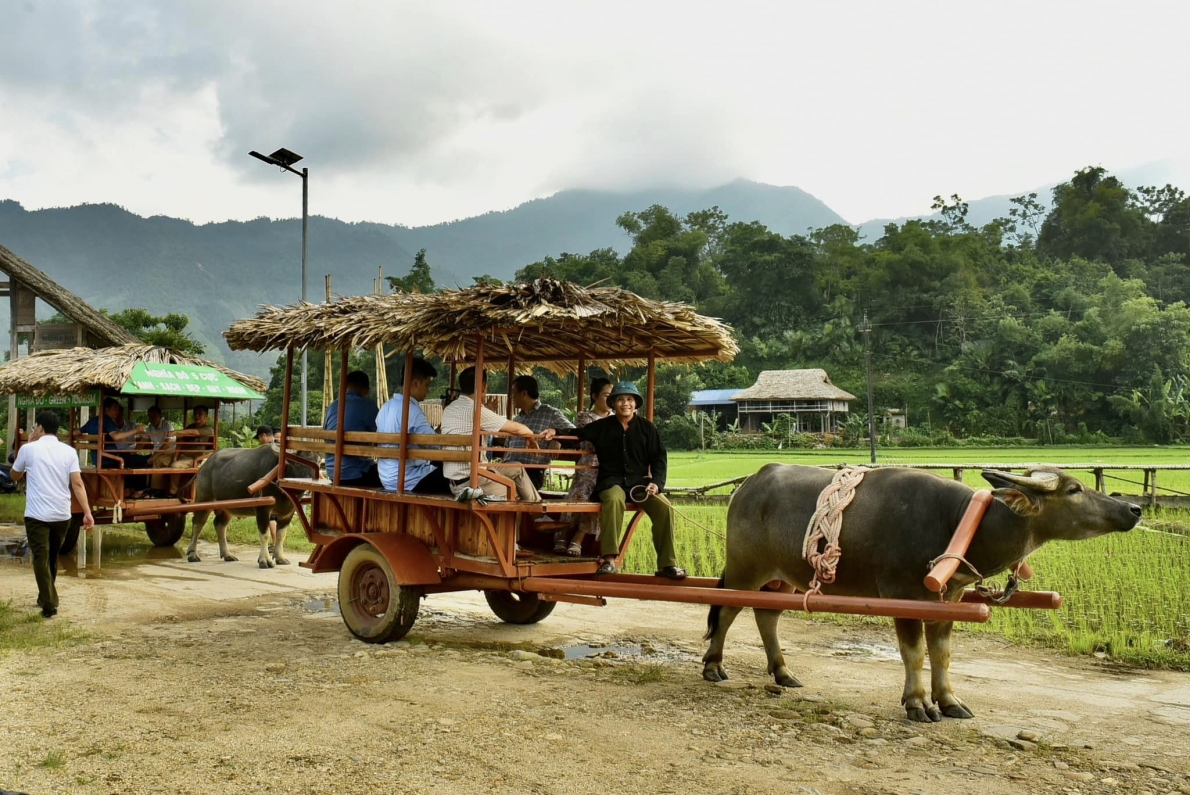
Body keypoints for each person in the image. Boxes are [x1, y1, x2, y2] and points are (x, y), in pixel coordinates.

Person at [572, 381, 685, 579]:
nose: (626, 403)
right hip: (611, 483)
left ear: (635, 403)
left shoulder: (647, 428)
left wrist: (656, 484)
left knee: (664, 508)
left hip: (639, 486)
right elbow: (578, 433)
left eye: (630, 399)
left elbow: (659, 458)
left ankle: (667, 565)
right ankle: (608, 560)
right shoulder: (601, 427)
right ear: (613, 403)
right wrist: (555, 432)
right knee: (614, 499)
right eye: (621, 399)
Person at [11, 410, 95, 618]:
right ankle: (45, 596)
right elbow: (77, 483)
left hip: (36, 516)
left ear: (40, 428)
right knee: (51, 558)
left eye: (34, 428)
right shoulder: (69, 452)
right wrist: (87, 512)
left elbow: (14, 475)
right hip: (62, 515)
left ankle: (49, 603)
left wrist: (27, 443)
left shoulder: (28, 449)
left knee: (40, 557)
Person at [439, 367, 547, 502]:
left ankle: (537, 513)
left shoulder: (449, 409)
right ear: (483, 386)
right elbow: (517, 429)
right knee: (516, 493)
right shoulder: (476, 410)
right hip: (473, 480)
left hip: (459, 478)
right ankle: (533, 516)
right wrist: (530, 436)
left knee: (517, 468)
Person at [376, 357, 452, 494]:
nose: (427, 390)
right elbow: (436, 445)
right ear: (416, 383)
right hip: (409, 480)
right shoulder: (412, 411)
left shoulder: (385, 407)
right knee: (456, 476)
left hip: (386, 478)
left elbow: (429, 439)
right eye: (427, 385)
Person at [556, 377, 613, 556]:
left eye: (613, 396)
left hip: (607, 470)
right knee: (577, 498)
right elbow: (593, 439)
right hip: (588, 468)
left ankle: (577, 539)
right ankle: (562, 534)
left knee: (599, 502)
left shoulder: (616, 418)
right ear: (595, 396)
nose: (610, 400)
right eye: (606, 395)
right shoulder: (585, 417)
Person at [503, 375, 575, 491]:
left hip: (531, 472)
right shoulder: (517, 419)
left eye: (513, 392)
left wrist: (557, 438)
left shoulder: (550, 413)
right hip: (508, 469)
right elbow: (506, 447)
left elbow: (574, 432)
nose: (511, 396)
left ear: (524, 393)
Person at [323, 370, 381, 486]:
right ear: (366, 391)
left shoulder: (332, 406)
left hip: (333, 472)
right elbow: (381, 436)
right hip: (356, 474)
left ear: (345, 388)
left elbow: (325, 435)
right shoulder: (367, 406)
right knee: (393, 477)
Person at [80, 397, 145, 466]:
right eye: (115, 408)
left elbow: (76, 432)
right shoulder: (107, 421)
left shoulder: (92, 421)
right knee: (143, 460)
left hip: (98, 460)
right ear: (107, 409)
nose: (117, 411)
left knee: (136, 459)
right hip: (110, 459)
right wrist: (136, 430)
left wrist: (69, 435)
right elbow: (116, 436)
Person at [168, 404, 216, 495]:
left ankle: (173, 492)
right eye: (195, 413)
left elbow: (194, 432)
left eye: (200, 414)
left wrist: (176, 432)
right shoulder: (190, 426)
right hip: (182, 456)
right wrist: (175, 456)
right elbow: (180, 441)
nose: (196, 416)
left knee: (175, 465)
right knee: (160, 461)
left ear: (206, 416)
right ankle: (156, 490)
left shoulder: (208, 429)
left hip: (194, 459)